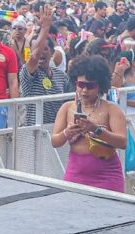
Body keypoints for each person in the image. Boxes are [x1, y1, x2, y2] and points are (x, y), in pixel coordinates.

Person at [51, 57, 127, 192]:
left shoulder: (111, 109)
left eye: (90, 86)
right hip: (75, 175)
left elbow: (122, 142)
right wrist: (67, 133)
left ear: (100, 86)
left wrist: (97, 130)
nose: (85, 90)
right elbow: (55, 141)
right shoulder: (67, 108)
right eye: (81, 85)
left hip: (107, 178)